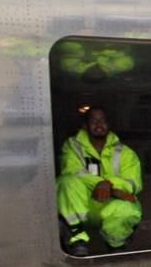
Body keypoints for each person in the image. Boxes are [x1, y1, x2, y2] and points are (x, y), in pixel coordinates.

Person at [56, 106, 142, 256]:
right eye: (94, 121)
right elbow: (72, 170)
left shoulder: (125, 153)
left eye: (103, 121)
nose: (99, 124)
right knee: (67, 181)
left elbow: (133, 182)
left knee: (129, 208)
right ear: (85, 125)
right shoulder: (72, 146)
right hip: (81, 204)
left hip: (109, 203)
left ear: (109, 124)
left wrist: (109, 185)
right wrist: (100, 183)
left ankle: (116, 247)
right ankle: (78, 241)